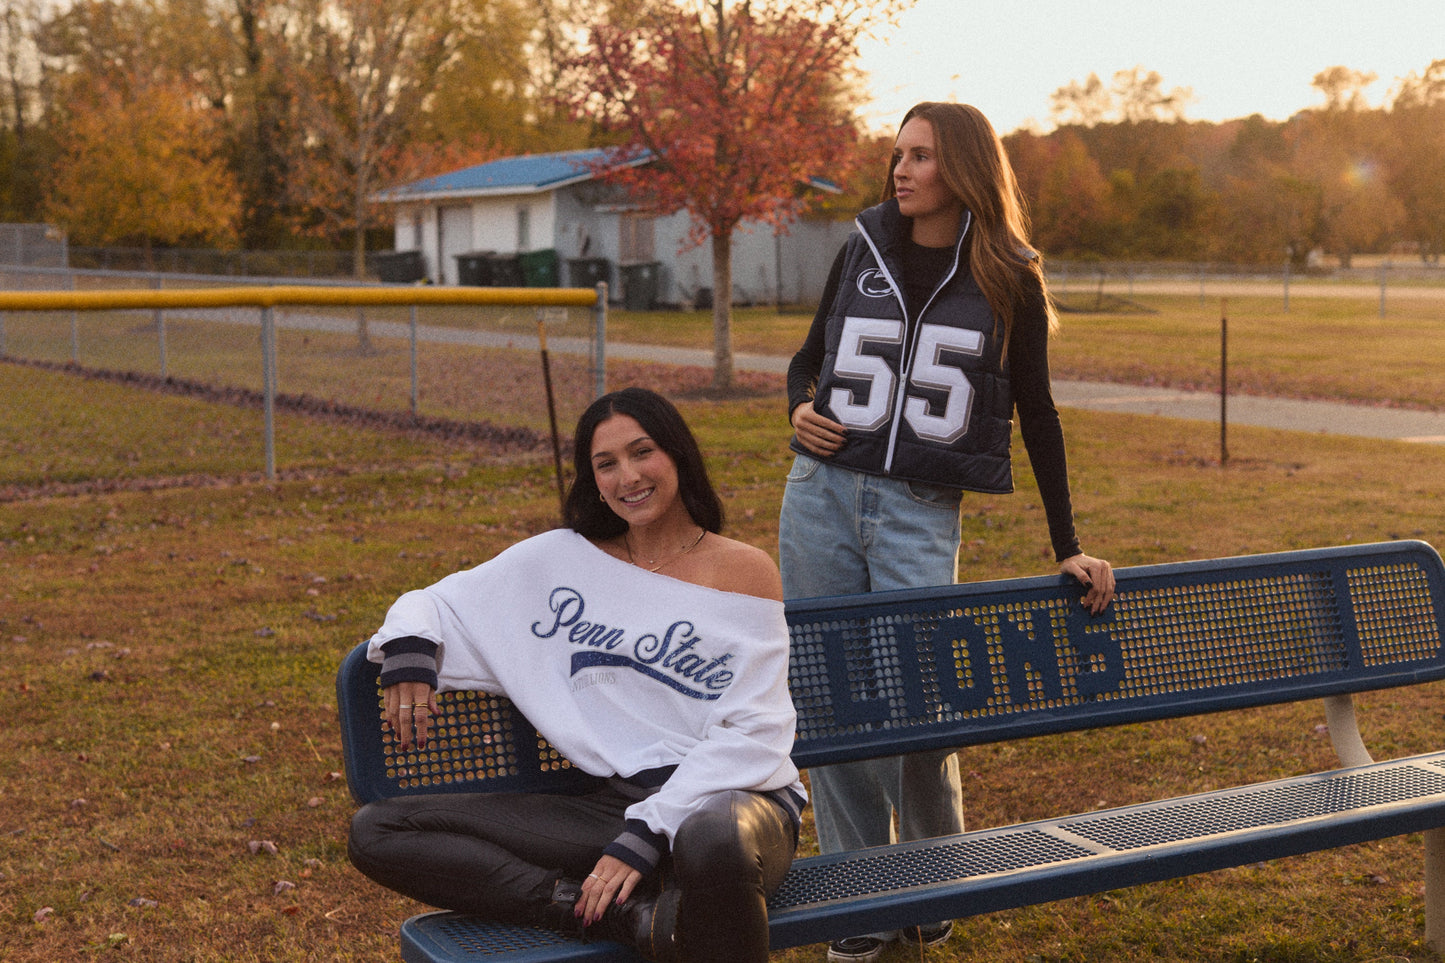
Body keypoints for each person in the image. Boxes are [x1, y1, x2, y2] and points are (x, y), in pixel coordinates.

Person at [779, 101, 1116, 963]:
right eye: (897, 153)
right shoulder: (861, 244)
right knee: (833, 696)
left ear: (959, 167)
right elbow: (806, 358)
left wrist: (1065, 542)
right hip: (821, 494)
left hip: (918, 509)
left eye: (920, 155)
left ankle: (931, 873)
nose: (900, 169)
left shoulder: (1008, 273)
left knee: (917, 704)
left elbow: (1035, 411)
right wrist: (800, 408)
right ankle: (856, 893)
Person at [348, 387, 804, 963]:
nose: (627, 477)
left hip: (733, 804)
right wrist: (410, 649)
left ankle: (660, 881)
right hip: (614, 808)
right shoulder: (560, 562)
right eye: (605, 464)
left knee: (708, 841)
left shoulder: (744, 569)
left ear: (678, 456)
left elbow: (756, 733)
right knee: (379, 830)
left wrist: (647, 833)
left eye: (643, 453)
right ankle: (607, 914)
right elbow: (436, 601)